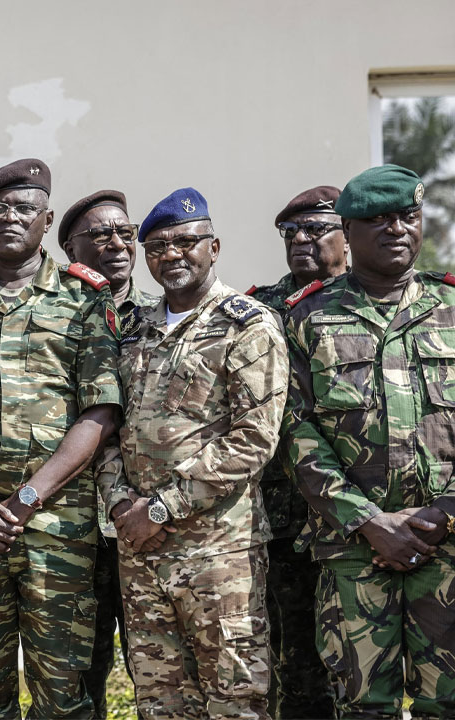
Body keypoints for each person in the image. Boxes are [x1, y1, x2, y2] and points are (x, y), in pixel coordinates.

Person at [0, 161, 121, 719]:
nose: (10, 218)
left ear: (47, 220)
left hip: (57, 530)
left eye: (24, 209)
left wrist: (25, 500)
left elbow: (100, 412)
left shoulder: (84, 297)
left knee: (62, 698)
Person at [105, 187, 288, 719]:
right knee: (160, 703)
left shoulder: (246, 325)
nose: (172, 255)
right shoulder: (133, 329)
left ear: (214, 247)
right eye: (158, 246)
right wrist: (120, 504)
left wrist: (161, 508)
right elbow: (109, 429)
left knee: (235, 700)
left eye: (186, 242)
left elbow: (254, 438)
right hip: (141, 552)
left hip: (219, 554)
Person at [283, 164, 455, 719]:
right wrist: (368, 521)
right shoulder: (307, 318)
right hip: (353, 551)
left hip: (449, 549)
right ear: (348, 231)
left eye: (407, 216)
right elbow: (294, 431)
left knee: (447, 703)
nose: (397, 229)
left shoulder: (452, 308)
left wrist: (446, 512)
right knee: (361, 707)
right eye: (379, 219)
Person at [55, 189, 156, 716]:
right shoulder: (54, 317)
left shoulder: (163, 316)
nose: (116, 243)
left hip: (149, 521)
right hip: (72, 524)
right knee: (77, 674)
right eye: (98, 234)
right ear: (69, 249)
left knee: (159, 672)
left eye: (124, 232)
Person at [248, 185, 346, 718]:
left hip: (360, 518)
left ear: (348, 235)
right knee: (291, 661)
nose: (300, 239)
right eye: (291, 231)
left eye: (315, 229)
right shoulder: (258, 308)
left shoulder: (372, 298)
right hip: (282, 520)